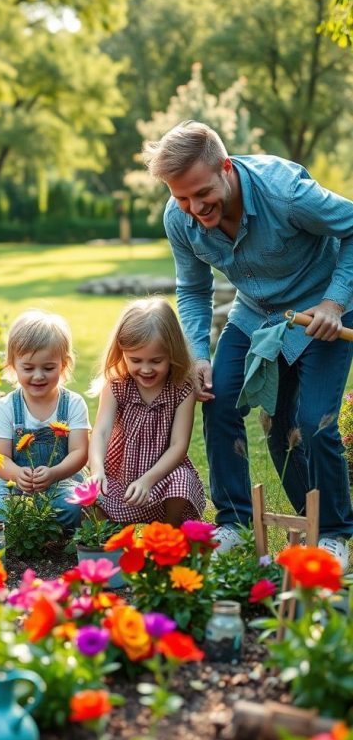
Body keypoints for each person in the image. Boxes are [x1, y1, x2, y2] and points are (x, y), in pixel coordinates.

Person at [143, 120, 353, 570]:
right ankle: (234, 523)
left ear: (226, 167)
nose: (194, 207)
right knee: (217, 401)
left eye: (202, 193)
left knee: (312, 423)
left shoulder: (286, 193)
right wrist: (198, 354)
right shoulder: (179, 217)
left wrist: (335, 301)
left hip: (322, 310)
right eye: (181, 197)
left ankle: (334, 534)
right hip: (257, 313)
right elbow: (193, 289)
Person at [88, 297, 205, 527]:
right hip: (120, 477)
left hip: (160, 477)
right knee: (90, 499)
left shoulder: (182, 388)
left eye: (156, 360)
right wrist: (97, 471)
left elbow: (178, 446)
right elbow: (100, 432)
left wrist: (148, 480)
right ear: (121, 352)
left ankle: (168, 532)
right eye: (136, 360)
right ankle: (109, 535)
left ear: (173, 353)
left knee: (181, 480)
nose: (146, 369)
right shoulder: (116, 385)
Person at [0, 309, 90, 530]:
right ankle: (32, 525)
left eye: (48, 368)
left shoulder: (73, 404)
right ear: (12, 365)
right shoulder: (7, 406)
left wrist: (54, 473)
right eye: (28, 368)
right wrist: (17, 474)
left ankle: (44, 526)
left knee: (74, 509)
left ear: (64, 364)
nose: (38, 376)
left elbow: (80, 452)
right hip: (13, 482)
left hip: (62, 480)